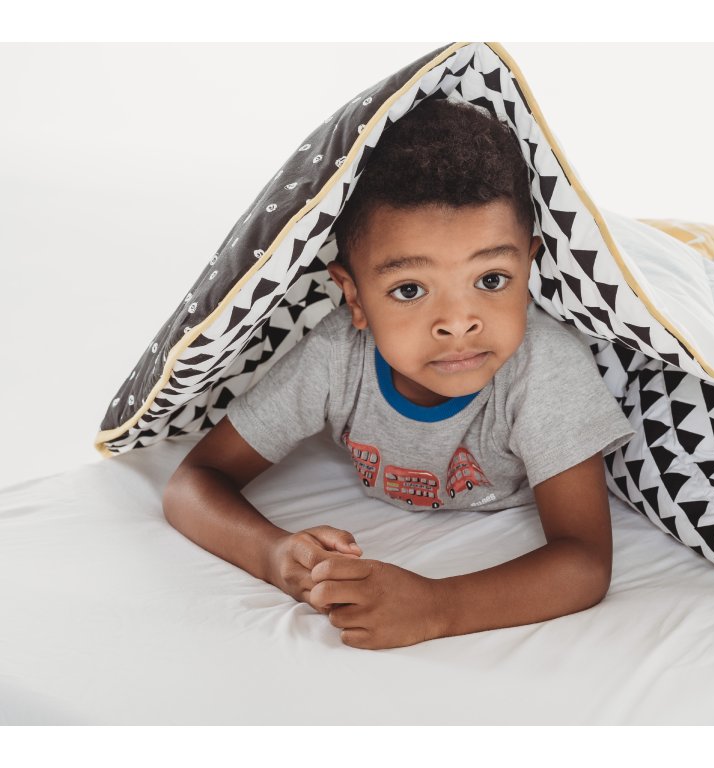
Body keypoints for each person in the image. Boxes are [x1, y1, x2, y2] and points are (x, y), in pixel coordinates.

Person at [162, 96, 635, 650]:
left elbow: (583, 562)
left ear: (528, 269)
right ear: (354, 296)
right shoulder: (337, 354)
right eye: (410, 289)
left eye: (491, 279)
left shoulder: (545, 370)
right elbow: (191, 483)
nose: (458, 323)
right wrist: (273, 553)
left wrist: (437, 607)